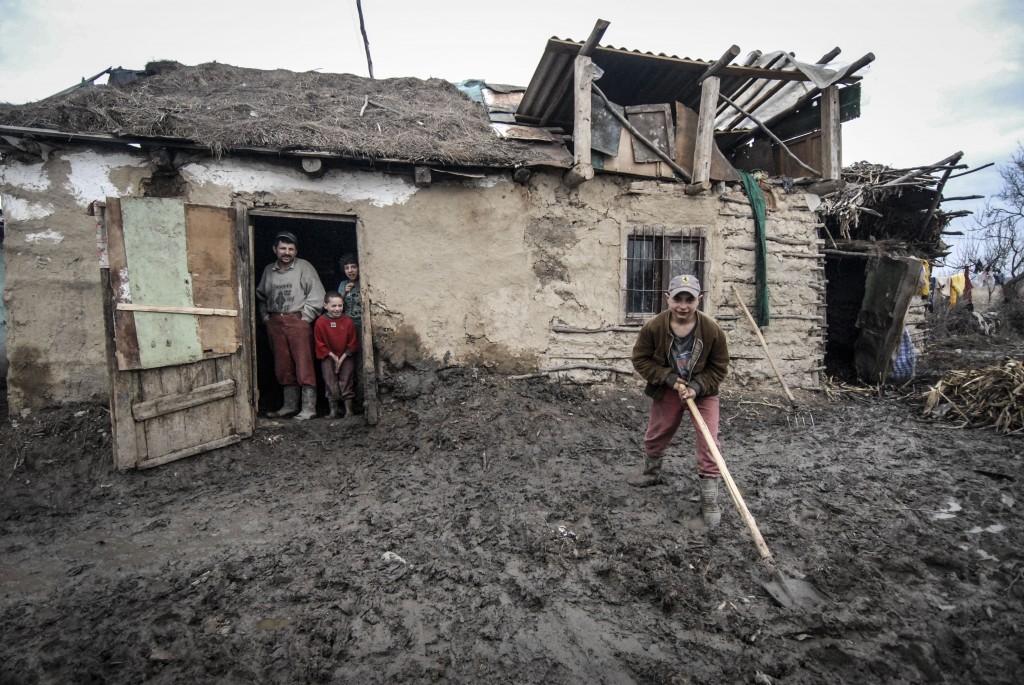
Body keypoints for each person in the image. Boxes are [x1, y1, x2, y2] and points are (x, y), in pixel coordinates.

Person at [629, 274, 730, 527]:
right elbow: (640, 359)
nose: (683, 305)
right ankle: (651, 472)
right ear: (667, 299)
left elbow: (719, 367)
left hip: (703, 392)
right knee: (657, 432)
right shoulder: (654, 327)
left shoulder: (711, 329)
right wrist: (668, 378)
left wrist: (696, 386)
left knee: (709, 440)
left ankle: (709, 498)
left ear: (700, 300)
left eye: (689, 299)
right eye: (677, 299)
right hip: (669, 388)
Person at [256, 231, 326, 420]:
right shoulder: (269, 270)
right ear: (274, 249)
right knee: (282, 365)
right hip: (275, 322)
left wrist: (305, 318)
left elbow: (317, 295)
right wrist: (265, 318)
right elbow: (261, 296)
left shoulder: (304, 267)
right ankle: (289, 406)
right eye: (283, 248)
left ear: (296, 251)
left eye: (291, 249)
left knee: (304, 363)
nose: (287, 252)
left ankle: (309, 408)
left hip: (298, 320)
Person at [314, 291, 360, 420]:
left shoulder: (348, 321)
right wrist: (333, 357)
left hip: (346, 356)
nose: (337, 309)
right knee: (330, 382)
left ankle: (348, 411)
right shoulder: (320, 322)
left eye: (340, 305)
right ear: (325, 306)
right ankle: (333, 411)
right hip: (328, 357)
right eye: (333, 306)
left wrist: (343, 357)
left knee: (346, 381)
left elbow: (352, 342)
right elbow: (319, 343)